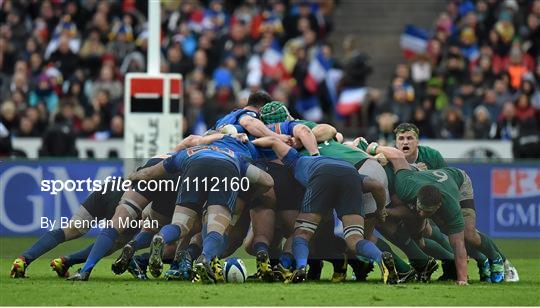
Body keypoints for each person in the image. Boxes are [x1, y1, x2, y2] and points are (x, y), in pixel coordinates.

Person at [252, 136, 399, 284]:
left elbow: (272, 141)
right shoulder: (340, 163)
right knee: (355, 239)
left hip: (321, 176)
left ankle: (301, 268)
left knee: (302, 234)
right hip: (351, 175)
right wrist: (381, 210)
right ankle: (381, 258)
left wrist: (243, 141)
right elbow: (376, 186)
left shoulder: (296, 159)